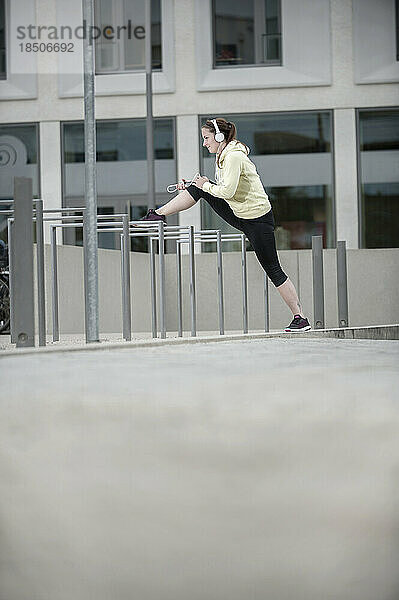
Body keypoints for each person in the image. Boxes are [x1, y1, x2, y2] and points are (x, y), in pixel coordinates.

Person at [140, 118, 311, 332]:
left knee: (273, 269)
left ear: (219, 136)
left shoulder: (234, 157)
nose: (204, 143)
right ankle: (157, 215)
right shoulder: (222, 156)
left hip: (258, 221)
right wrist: (197, 185)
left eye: (206, 138)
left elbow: (227, 191)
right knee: (199, 187)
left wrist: (204, 185)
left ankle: (300, 318)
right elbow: (221, 189)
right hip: (240, 213)